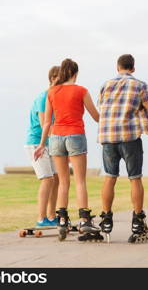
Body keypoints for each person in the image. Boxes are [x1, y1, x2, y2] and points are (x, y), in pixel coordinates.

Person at [97, 54, 148, 243]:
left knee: (109, 177)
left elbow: (102, 109)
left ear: (117, 67)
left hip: (108, 137)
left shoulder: (106, 85)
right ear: (133, 68)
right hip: (129, 136)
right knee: (135, 178)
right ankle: (137, 221)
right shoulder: (140, 85)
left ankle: (106, 219)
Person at [34, 58, 103, 242]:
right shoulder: (81, 91)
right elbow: (96, 116)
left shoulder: (52, 92)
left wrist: (42, 144)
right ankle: (84, 219)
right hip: (75, 136)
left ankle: (62, 220)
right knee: (80, 181)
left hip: (55, 138)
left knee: (63, 182)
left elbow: (47, 121)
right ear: (75, 73)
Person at [24, 66, 60, 228]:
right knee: (48, 179)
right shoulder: (43, 97)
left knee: (57, 179)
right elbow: (44, 123)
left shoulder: (56, 98)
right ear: (53, 78)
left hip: (50, 143)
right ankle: (41, 218)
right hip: (36, 143)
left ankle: (52, 216)